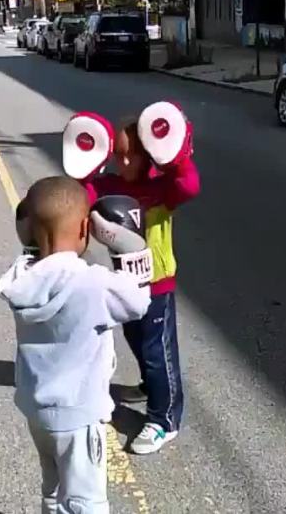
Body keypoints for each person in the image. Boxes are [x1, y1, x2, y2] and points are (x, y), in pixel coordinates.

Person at [0, 176, 151, 514]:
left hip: (37, 411)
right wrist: (130, 246)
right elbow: (138, 302)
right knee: (85, 502)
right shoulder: (92, 283)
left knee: (53, 489)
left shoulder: (21, 279)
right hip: (78, 416)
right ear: (86, 228)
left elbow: (33, 248)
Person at [71, 108, 200, 455]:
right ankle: (148, 384)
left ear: (148, 154)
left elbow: (189, 185)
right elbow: (81, 196)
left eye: (132, 154)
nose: (124, 161)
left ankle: (164, 419)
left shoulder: (162, 188)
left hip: (157, 283)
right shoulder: (109, 185)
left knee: (158, 350)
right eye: (119, 155)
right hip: (125, 283)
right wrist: (85, 167)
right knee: (135, 338)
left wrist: (177, 156)